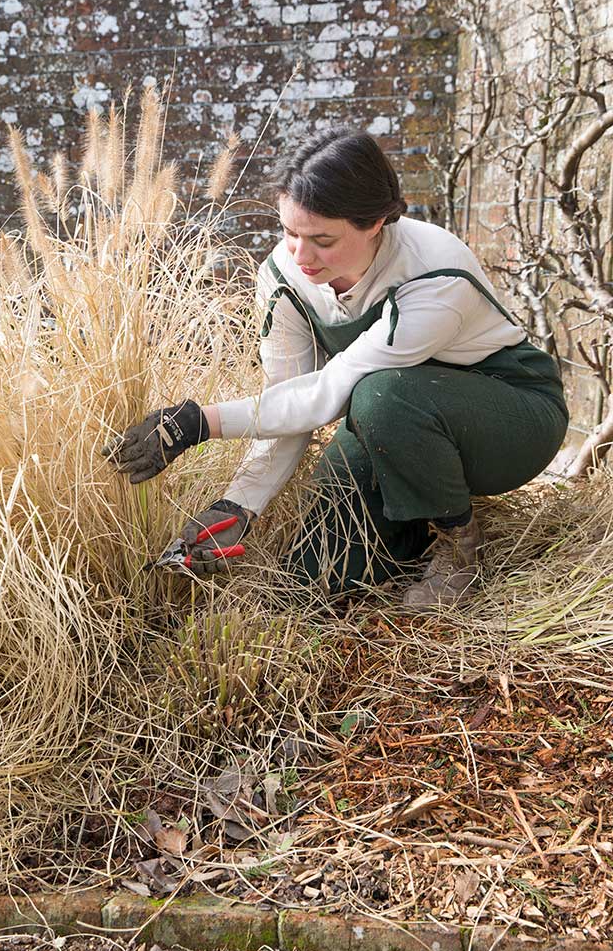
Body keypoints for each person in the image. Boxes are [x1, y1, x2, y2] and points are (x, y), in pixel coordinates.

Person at [105, 129, 569, 609]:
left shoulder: (434, 274)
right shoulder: (285, 276)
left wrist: (199, 422)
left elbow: (331, 391)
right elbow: (289, 398)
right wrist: (239, 503)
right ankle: (409, 530)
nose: (300, 256)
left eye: (322, 239)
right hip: (391, 425)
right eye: (289, 232)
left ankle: (458, 545)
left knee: (381, 396)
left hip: (508, 419)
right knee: (313, 576)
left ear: (375, 223)